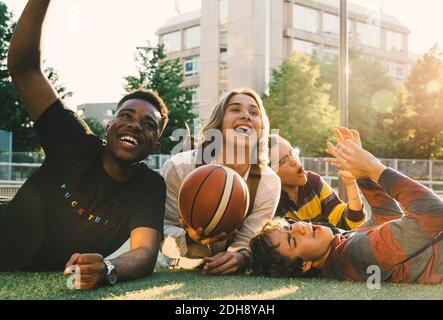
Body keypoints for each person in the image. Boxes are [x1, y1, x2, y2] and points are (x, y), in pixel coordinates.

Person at [1, 0, 169, 290]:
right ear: (110, 126)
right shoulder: (74, 143)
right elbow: (24, 67)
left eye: (148, 124)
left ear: (155, 145)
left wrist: (108, 268)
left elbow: (145, 252)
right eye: (126, 116)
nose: (134, 124)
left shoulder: (150, 186)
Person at [250, 128, 443, 284]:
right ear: (304, 265)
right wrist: (374, 168)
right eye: (293, 241)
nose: (301, 227)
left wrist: (362, 176)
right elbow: (437, 215)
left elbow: (386, 217)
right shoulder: (355, 252)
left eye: (290, 227)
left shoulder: (340, 247)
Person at [160, 88, 281, 275]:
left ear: (261, 128)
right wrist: (188, 238)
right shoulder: (179, 168)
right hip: (177, 268)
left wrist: (241, 258)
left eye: (254, 112)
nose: (246, 116)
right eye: (235, 109)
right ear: (218, 123)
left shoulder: (268, 182)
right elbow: (157, 234)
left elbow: (249, 241)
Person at [269, 133, 366, 230]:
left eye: (292, 153)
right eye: (283, 161)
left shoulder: (313, 182)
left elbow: (350, 223)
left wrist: (350, 184)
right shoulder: (271, 205)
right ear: (269, 174)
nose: (294, 161)